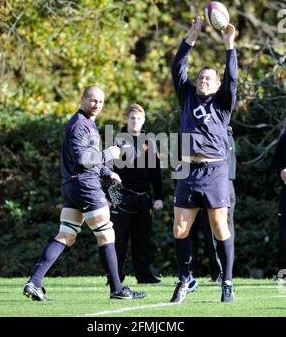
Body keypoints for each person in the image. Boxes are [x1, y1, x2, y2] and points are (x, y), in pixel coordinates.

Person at [23, 85, 146, 301]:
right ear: (82, 100)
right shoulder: (81, 125)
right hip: (85, 186)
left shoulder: (87, 123)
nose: (97, 104)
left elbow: (89, 158)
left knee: (66, 235)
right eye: (92, 100)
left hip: (73, 186)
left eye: (100, 101)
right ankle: (117, 289)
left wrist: (107, 172)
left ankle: (34, 282)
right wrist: (109, 153)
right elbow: (83, 159)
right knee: (106, 234)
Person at [170, 16, 238, 303]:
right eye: (200, 77)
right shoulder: (186, 95)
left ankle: (227, 282)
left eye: (208, 78)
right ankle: (186, 278)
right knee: (179, 228)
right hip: (187, 170)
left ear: (217, 84)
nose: (202, 80)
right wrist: (191, 38)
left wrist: (229, 46)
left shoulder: (223, 104)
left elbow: (233, 78)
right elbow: (177, 67)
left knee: (220, 226)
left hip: (214, 170)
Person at [111, 103, 164, 284]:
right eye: (132, 118)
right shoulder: (117, 139)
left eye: (139, 119)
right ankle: (116, 276)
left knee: (142, 240)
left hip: (143, 198)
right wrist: (110, 197)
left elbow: (155, 172)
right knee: (119, 240)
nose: (135, 121)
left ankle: (144, 275)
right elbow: (109, 169)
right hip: (122, 198)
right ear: (126, 119)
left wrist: (159, 197)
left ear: (143, 121)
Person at [190, 126, 236, 282]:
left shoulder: (223, 135)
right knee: (212, 229)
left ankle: (224, 273)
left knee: (223, 229)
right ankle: (218, 272)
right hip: (205, 182)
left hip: (221, 184)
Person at [272, 130, 286, 278]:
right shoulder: (285, 136)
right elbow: (275, 162)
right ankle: (283, 273)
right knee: (284, 234)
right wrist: (280, 171)